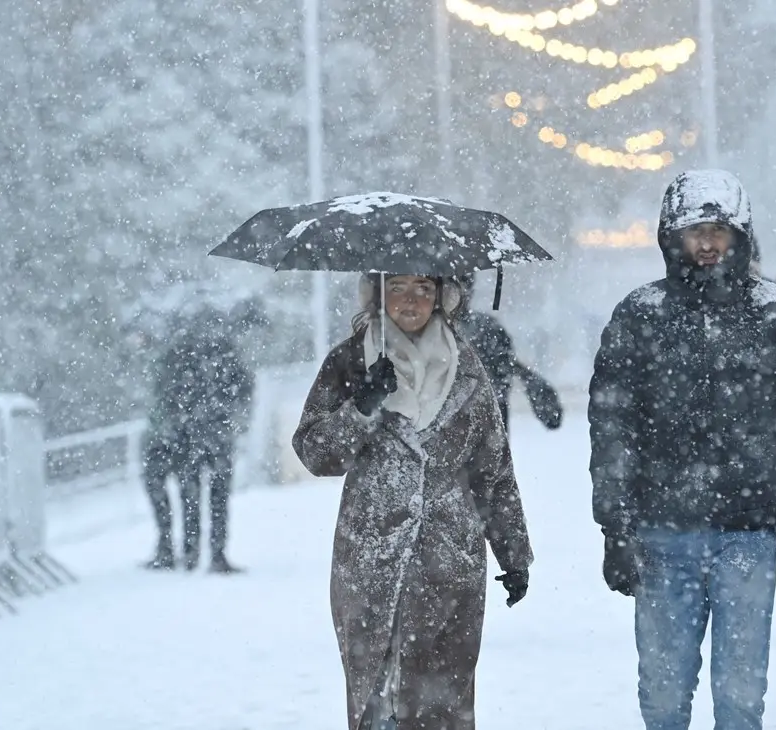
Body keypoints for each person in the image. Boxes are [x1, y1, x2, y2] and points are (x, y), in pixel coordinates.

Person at [588, 169, 776, 730]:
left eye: (719, 230)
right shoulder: (640, 315)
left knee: (740, 698)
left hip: (748, 531)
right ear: (671, 236)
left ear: (741, 236)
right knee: (663, 699)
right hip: (661, 533)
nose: (707, 244)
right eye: (694, 231)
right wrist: (615, 527)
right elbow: (613, 430)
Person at [292, 272, 533, 730]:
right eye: (398, 287)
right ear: (378, 293)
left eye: (424, 288)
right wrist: (361, 408)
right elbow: (314, 453)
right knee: (377, 706)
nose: (411, 300)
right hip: (370, 560)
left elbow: (494, 469)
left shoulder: (469, 367)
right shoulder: (348, 361)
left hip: (450, 564)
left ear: (442, 296)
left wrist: (514, 552)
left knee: (442, 707)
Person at [142, 321, 254, 573]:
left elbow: (166, 394)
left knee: (191, 496)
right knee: (217, 497)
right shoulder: (224, 354)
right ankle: (215, 554)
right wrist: (231, 416)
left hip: (190, 439)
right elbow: (245, 388)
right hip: (214, 437)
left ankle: (193, 552)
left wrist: (182, 420)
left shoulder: (179, 356)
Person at [454, 273, 563, 432]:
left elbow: (508, 366)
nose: (461, 292)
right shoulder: (485, 328)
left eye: (464, 285)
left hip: (484, 431)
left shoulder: (486, 329)